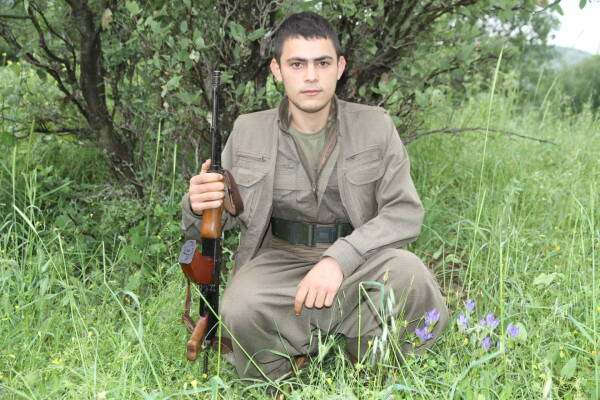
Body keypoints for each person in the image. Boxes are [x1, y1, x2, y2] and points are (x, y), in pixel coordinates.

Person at [181, 11, 448, 381]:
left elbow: (404, 213)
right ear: (277, 70)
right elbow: (219, 218)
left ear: (340, 67)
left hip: (361, 260)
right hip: (279, 260)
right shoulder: (248, 130)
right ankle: (277, 378)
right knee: (241, 305)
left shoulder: (375, 125)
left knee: (410, 277)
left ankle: (375, 369)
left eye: (322, 63)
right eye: (297, 64)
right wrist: (198, 204)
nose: (310, 76)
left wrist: (339, 259)